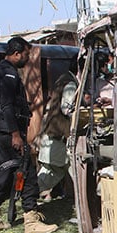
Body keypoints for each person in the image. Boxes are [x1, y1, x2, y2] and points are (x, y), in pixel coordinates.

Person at [0, 36, 58, 233]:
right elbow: (6, 105)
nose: (27, 57)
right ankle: (31, 221)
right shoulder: (9, 75)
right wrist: (16, 134)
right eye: (25, 54)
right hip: (9, 132)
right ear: (16, 53)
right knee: (27, 172)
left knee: (2, 173)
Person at [36, 71, 78, 202]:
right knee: (52, 172)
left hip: (55, 136)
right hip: (57, 138)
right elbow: (67, 108)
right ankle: (27, 197)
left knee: (63, 171)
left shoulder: (62, 80)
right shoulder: (70, 84)